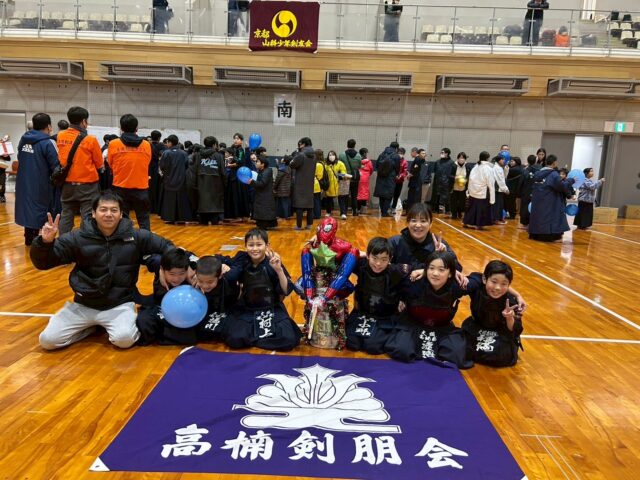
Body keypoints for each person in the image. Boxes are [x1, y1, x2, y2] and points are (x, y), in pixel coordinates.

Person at [30, 191, 173, 350]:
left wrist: (164, 266)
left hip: (119, 304)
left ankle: (100, 324)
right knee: (48, 341)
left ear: (121, 214)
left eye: (114, 210)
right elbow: (43, 263)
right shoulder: (77, 237)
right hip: (83, 304)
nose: (108, 214)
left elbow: (168, 247)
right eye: (103, 209)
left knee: (124, 340)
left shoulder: (136, 236)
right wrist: (45, 243)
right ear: (93, 213)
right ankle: (89, 327)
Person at [386, 252, 471, 367]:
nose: (435, 273)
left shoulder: (456, 286)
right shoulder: (415, 281)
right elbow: (393, 268)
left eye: (441, 270)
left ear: (450, 273)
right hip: (413, 326)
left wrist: (457, 273)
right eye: (431, 268)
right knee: (401, 350)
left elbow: (478, 279)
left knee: (456, 355)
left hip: (441, 328)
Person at [222, 228, 301, 351]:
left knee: (288, 339)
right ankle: (261, 338)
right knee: (234, 338)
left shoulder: (273, 262)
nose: (255, 249)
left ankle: (254, 339)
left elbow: (286, 290)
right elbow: (221, 259)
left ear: (267, 245)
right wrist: (223, 265)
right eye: (251, 245)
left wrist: (279, 270)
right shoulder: (242, 260)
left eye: (259, 244)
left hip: (272, 308)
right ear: (245, 246)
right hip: (248, 309)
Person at [346, 237, 412, 355]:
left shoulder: (396, 271)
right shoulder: (361, 265)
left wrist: (403, 299)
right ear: (367, 255)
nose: (378, 264)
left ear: (390, 259)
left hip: (384, 317)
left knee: (373, 347)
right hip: (362, 313)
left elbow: (415, 271)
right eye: (374, 258)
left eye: (383, 259)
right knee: (351, 343)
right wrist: (320, 238)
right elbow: (338, 252)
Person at [461, 260, 524, 367]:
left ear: (508, 285)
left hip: (499, 332)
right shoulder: (477, 287)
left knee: (500, 355)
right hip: (477, 327)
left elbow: (516, 330)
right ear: (485, 279)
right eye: (494, 282)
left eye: (503, 284)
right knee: (460, 347)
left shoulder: (511, 302)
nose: (497, 288)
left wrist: (509, 317)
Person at [56, 106, 104, 235]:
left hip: (67, 183)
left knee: (66, 214)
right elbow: (99, 164)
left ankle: (63, 242)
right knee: (87, 215)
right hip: (88, 185)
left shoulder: (60, 136)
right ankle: (86, 241)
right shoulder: (90, 139)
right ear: (84, 121)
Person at [15, 113, 60, 246]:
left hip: (24, 181)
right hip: (41, 183)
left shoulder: (24, 140)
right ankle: (40, 241)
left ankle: (29, 238)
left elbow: (20, 156)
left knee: (28, 208)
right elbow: (56, 166)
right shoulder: (48, 142)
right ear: (49, 126)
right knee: (42, 209)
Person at [108, 114, 152, 230]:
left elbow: (111, 164)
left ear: (121, 128)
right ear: (137, 129)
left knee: (121, 220)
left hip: (120, 187)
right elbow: (147, 162)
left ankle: (123, 240)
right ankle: (146, 240)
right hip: (141, 187)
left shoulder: (113, 144)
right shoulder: (146, 145)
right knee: (144, 219)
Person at [529, 154, 575, 242]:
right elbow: (561, 186)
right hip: (549, 201)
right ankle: (550, 237)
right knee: (549, 218)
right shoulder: (553, 174)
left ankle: (536, 235)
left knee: (538, 217)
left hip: (538, 200)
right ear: (554, 163)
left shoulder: (538, 173)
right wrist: (571, 180)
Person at [188, 136, 225, 225]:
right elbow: (223, 172)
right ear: (214, 145)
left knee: (202, 209)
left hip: (201, 184)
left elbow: (194, 170)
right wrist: (224, 184)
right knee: (215, 215)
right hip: (216, 185)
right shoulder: (219, 156)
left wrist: (194, 184)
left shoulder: (198, 155)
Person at [159, 135, 193, 224]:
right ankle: (181, 217)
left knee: (169, 200)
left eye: (167, 142)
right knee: (181, 200)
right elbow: (187, 165)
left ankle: (169, 217)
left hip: (169, 180)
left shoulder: (166, 153)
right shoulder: (184, 153)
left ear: (170, 142)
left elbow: (162, 166)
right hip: (181, 180)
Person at [463, 151, 495, 230]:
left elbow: (470, 179)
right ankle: (479, 224)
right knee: (482, 209)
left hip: (473, 190)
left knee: (472, 208)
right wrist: (492, 198)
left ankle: (467, 222)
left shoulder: (475, 167)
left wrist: (469, 191)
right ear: (487, 158)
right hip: (483, 192)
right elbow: (491, 183)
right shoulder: (488, 168)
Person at [290, 137, 316, 230]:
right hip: (310, 183)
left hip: (300, 182)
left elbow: (292, 164)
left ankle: (299, 225)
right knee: (309, 205)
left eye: (300, 144)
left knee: (299, 205)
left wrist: (296, 154)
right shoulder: (314, 155)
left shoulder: (301, 155)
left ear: (303, 144)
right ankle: (309, 225)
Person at [223, 146, 249, 223]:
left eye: (226, 153)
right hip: (232, 179)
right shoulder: (229, 159)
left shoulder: (234, 158)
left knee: (236, 197)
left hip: (235, 180)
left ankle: (238, 216)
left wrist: (230, 165)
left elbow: (239, 163)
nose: (225, 154)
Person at [251, 155, 277, 230]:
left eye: (258, 162)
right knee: (261, 211)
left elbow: (262, 183)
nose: (256, 163)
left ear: (263, 164)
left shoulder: (267, 171)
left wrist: (252, 182)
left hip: (265, 196)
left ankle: (264, 225)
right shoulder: (262, 171)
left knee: (264, 211)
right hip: (262, 195)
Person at [374, 142, 399, 217]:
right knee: (388, 195)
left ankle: (382, 211)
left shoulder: (382, 154)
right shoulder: (396, 156)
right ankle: (385, 212)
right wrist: (396, 174)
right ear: (396, 148)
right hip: (390, 177)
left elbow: (376, 165)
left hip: (380, 177)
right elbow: (397, 168)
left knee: (381, 195)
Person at [338, 139, 362, 216]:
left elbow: (339, 167)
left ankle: (344, 212)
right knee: (354, 196)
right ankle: (354, 211)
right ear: (354, 145)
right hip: (354, 178)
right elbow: (359, 166)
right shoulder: (358, 156)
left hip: (344, 178)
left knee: (344, 195)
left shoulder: (341, 155)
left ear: (347, 145)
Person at [323, 150, 348, 218]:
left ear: (335, 156)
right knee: (329, 199)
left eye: (333, 155)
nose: (331, 156)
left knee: (341, 199)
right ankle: (328, 212)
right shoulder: (326, 165)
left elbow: (344, 172)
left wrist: (339, 175)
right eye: (330, 155)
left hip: (339, 184)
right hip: (329, 185)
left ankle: (343, 213)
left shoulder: (340, 163)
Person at [449, 152, 473, 221]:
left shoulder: (467, 166)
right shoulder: (453, 165)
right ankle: (454, 214)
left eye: (463, 158)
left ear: (465, 159)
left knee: (462, 202)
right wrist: (455, 178)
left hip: (463, 187)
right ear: (458, 158)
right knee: (454, 201)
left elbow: (470, 175)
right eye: (460, 157)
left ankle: (460, 213)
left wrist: (466, 180)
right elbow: (449, 175)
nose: (461, 159)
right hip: (454, 187)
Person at [431, 147, 455, 216]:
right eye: (441, 152)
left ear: (447, 154)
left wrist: (451, 183)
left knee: (447, 197)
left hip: (447, 183)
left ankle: (448, 210)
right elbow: (435, 171)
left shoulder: (451, 163)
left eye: (442, 152)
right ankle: (435, 209)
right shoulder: (437, 162)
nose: (441, 154)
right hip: (438, 182)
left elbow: (453, 174)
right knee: (436, 196)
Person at [518, 154, 540, 229]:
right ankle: (533, 223)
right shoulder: (539, 170)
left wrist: (519, 192)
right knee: (534, 207)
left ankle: (524, 224)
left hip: (526, 191)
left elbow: (521, 182)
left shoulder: (525, 170)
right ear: (536, 161)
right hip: (536, 191)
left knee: (525, 207)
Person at [149, 130, 166, 214]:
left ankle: (148, 208)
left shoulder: (147, 145)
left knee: (149, 188)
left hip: (148, 168)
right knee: (157, 188)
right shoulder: (162, 146)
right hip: (158, 168)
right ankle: (156, 208)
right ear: (159, 138)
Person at [492, 153, 509, 225]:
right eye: (502, 159)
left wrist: (506, 171)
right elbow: (500, 180)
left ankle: (499, 218)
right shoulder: (496, 168)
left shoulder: (500, 168)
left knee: (500, 205)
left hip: (499, 189)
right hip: (497, 189)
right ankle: (496, 219)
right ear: (499, 160)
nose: (504, 161)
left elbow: (504, 178)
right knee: (497, 205)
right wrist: (505, 189)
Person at [406, 147, 425, 212]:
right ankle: (411, 211)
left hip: (415, 182)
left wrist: (410, 175)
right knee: (413, 197)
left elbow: (415, 169)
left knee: (413, 197)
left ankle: (412, 212)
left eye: (411, 152)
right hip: (415, 181)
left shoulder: (417, 159)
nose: (410, 154)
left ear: (414, 152)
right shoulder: (418, 159)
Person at [273, 155, 292, 220]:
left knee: (281, 203)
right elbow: (279, 167)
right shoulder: (289, 168)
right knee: (286, 202)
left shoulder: (282, 169)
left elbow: (277, 179)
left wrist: (274, 187)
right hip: (287, 188)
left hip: (281, 188)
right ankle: (287, 215)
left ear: (284, 161)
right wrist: (277, 163)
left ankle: (283, 216)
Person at [391, 147, 408, 212]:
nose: (400, 154)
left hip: (399, 181)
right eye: (399, 153)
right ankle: (386, 207)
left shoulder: (405, 162)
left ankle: (393, 208)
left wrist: (400, 176)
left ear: (403, 154)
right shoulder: (393, 160)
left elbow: (405, 172)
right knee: (390, 195)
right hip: (392, 181)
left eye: (401, 153)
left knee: (396, 195)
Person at [357, 147, 373, 214]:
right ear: (364, 153)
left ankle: (357, 209)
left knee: (358, 193)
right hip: (366, 179)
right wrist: (367, 174)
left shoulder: (357, 161)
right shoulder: (369, 162)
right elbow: (371, 170)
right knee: (365, 193)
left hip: (358, 178)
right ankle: (363, 210)